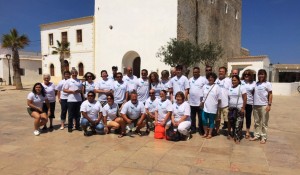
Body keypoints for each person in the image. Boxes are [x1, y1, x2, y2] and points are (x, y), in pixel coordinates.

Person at [250, 69, 272, 144]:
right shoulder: (256, 84)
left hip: (264, 106)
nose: (261, 75)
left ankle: (263, 137)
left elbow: (270, 94)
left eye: (262, 74)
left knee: (264, 123)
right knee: (256, 122)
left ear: (265, 75)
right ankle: (256, 135)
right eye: (259, 74)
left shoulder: (267, 84)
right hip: (255, 105)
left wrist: (269, 104)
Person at [200, 73, 221, 139]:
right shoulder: (204, 86)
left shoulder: (217, 87)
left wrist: (218, 108)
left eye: (212, 77)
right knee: (204, 120)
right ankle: (205, 133)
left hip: (213, 107)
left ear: (214, 78)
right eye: (209, 77)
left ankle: (210, 134)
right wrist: (201, 103)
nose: (210, 78)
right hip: (205, 106)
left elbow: (219, 98)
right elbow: (202, 96)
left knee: (211, 121)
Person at [228, 75, 247, 143]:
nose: (234, 81)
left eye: (235, 80)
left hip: (239, 108)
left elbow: (245, 98)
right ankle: (234, 134)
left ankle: (238, 138)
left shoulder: (241, 87)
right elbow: (229, 98)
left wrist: (243, 108)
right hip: (231, 109)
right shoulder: (230, 88)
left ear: (238, 81)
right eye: (232, 80)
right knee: (232, 123)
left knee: (238, 124)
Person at [189, 67, 206, 135]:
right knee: (192, 118)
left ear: (199, 72)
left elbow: (206, 90)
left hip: (200, 103)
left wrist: (203, 101)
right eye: (194, 72)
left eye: (196, 72)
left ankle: (201, 130)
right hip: (192, 102)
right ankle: (193, 129)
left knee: (201, 117)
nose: (195, 73)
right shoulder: (190, 79)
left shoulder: (203, 79)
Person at [215, 66, 232, 132]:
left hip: (226, 104)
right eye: (220, 71)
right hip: (217, 104)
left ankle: (229, 132)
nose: (221, 72)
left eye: (222, 71)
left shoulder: (229, 80)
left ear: (225, 72)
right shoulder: (216, 80)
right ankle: (217, 130)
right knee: (217, 119)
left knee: (227, 119)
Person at [241, 70, 256, 139]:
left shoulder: (254, 83)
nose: (246, 76)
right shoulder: (241, 82)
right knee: (240, 117)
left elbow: (254, 93)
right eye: (245, 74)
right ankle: (239, 130)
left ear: (251, 76)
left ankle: (247, 131)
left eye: (248, 74)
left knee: (248, 117)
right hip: (241, 102)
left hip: (249, 102)